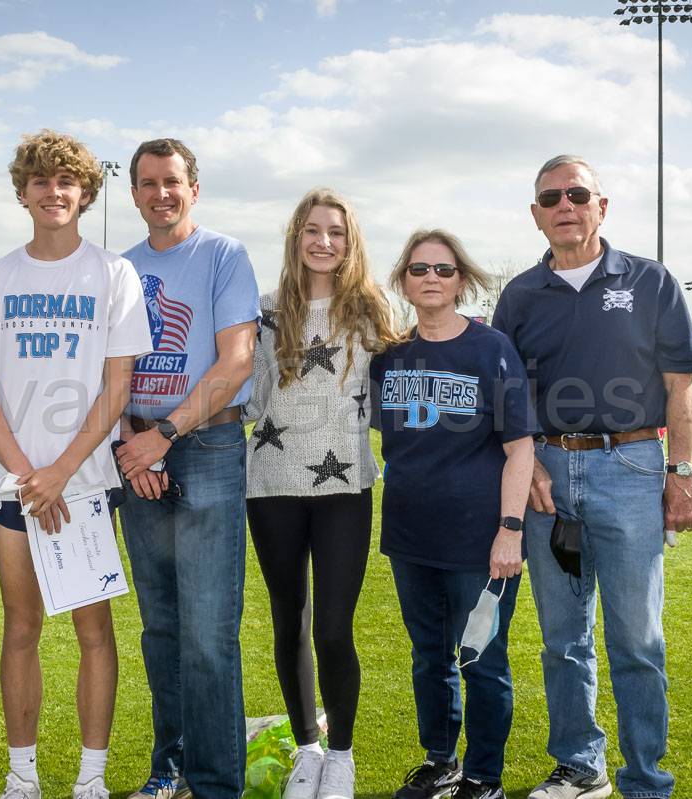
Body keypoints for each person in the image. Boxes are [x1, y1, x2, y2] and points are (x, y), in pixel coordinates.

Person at [492, 155, 692, 799]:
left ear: (601, 206)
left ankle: (645, 779)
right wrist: (526, 471)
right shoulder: (521, 294)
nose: (565, 204)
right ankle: (579, 767)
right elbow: (510, 395)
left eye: (577, 193)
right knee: (562, 639)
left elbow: (681, 387)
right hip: (547, 475)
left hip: (633, 468)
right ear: (536, 216)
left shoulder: (650, 281)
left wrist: (683, 474)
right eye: (550, 197)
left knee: (637, 639)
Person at [0, 129, 152, 799]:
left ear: (85, 192)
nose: (54, 190)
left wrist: (62, 471)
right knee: (21, 627)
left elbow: (117, 386)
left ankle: (90, 780)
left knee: (93, 630)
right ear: (23, 192)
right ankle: (22, 778)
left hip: (87, 484)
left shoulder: (113, 274)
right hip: (15, 486)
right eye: (40, 180)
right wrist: (28, 476)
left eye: (66, 181)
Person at [113, 138, 259, 799]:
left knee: (207, 632)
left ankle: (215, 782)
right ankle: (166, 769)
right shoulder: (120, 268)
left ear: (193, 188)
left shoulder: (224, 255)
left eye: (171, 181)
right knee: (161, 627)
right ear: (134, 192)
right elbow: (106, 372)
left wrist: (165, 433)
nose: (159, 193)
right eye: (147, 182)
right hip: (139, 453)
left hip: (205, 448)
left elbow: (237, 362)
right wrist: (130, 440)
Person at [371, 230, 536, 799]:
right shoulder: (390, 354)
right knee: (429, 656)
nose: (431, 279)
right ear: (404, 282)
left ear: (461, 280)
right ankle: (440, 760)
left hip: (479, 540)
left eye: (443, 270)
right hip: (410, 536)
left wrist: (509, 531)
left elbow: (520, 449)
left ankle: (484, 775)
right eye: (419, 270)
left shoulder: (490, 349)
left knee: (481, 659)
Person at [244, 189, 397, 799]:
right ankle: (307, 748)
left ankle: (342, 756)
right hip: (271, 488)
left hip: (345, 491)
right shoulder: (264, 309)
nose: (323, 241)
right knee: (291, 623)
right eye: (312, 230)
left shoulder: (370, 311)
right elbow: (250, 401)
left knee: (335, 628)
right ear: (295, 237)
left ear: (350, 241)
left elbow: (400, 393)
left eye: (335, 231)